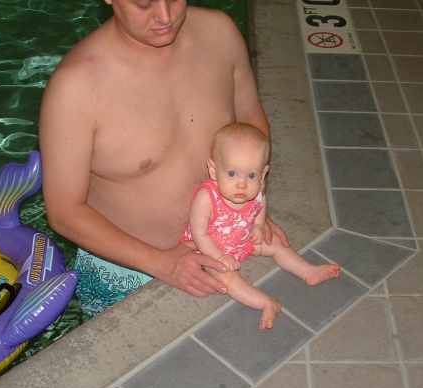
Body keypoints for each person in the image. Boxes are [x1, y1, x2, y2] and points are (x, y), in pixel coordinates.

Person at [39, 0, 288, 317]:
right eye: (143, 4)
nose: (165, 16)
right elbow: (63, 211)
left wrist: (248, 204)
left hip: (230, 239)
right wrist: (161, 262)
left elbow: (251, 120)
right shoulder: (75, 87)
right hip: (127, 274)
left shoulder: (220, 35)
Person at [181, 123, 341, 329]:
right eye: (231, 174)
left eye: (251, 176)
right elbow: (199, 233)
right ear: (213, 170)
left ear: (263, 174)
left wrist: (258, 224)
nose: (242, 184)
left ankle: (308, 271)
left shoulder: (257, 188)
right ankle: (266, 303)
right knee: (226, 279)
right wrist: (219, 257)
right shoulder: (206, 198)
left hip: (243, 239)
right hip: (210, 249)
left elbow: (261, 201)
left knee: (273, 241)